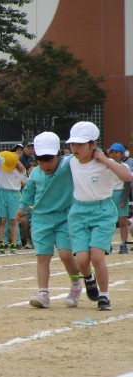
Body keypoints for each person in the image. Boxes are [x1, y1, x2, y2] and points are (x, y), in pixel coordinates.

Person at [66, 121, 133, 310]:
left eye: (80, 144)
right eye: (73, 144)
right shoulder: (71, 161)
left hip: (102, 211)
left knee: (96, 257)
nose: (75, 148)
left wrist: (105, 160)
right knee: (82, 259)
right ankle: (89, 278)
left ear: (93, 144)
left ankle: (104, 295)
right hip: (79, 212)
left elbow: (127, 177)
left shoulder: (105, 164)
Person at [17, 131, 81, 309]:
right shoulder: (35, 173)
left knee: (66, 255)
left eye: (49, 159)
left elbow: (80, 155)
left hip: (65, 218)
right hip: (41, 219)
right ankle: (43, 293)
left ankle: (76, 285)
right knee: (43, 256)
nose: (45, 164)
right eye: (41, 160)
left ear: (59, 155)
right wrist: (22, 207)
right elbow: (29, 192)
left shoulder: (67, 165)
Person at [0, 151, 27, 254]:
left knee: (13, 220)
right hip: (2, 193)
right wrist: (18, 161)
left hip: (14, 194)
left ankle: (14, 244)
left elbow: (25, 182)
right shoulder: (2, 162)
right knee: (2, 220)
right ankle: (1, 244)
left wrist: (18, 164)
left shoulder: (21, 170)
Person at [107, 143, 132, 253]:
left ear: (122, 154)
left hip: (120, 193)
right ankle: (108, 245)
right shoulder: (106, 165)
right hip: (108, 194)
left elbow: (127, 183)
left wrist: (123, 199)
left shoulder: (125, 167)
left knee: (122, 222)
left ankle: (123, 244)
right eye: (112, 152)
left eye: (116, 152)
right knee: (108, 222)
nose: (114, 154)